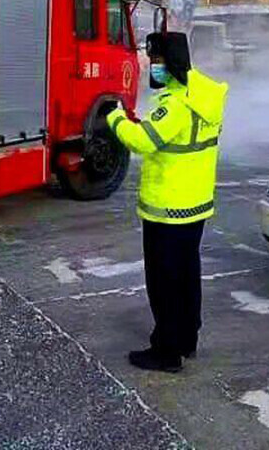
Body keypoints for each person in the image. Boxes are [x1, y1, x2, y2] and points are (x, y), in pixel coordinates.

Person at [105, 31, 229, 373]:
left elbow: (143, 142)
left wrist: (114, 117)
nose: (152, 69)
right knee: (187, 275)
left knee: (164, 282)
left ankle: (166, 351)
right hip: (195, 205)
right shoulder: (202, 95)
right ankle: (187, 338)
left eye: (156, 61)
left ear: (170, 62)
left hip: (168, 210)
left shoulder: (175, 104)